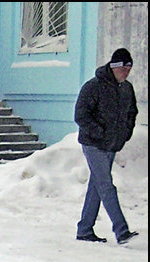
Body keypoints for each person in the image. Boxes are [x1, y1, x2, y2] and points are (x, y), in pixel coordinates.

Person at [74, 48, 139, 244]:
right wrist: (99, 132)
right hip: (93, 144)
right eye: (122, 67)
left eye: (128, 68)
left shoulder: (127, 89)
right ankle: (121, 231)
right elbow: (80, 115)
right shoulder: (94, 87)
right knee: (106, 186)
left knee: (96, 186)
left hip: (112, 145)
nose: (125, 71)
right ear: (113, 66)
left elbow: (131, 114)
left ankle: (85, 229)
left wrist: (124, 134)